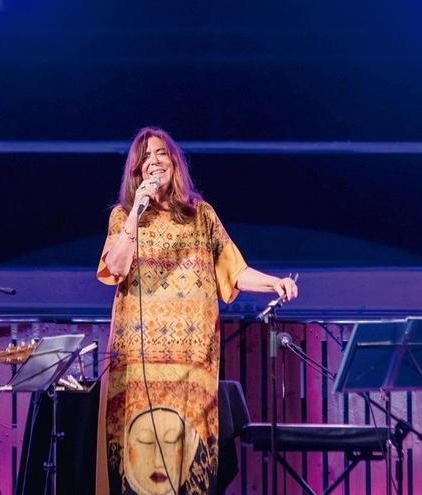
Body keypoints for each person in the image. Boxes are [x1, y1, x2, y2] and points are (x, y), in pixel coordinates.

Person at [95, 127, 298, 495]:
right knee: (141, 467)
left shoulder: (200, 216)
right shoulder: (123, 216)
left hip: (191, 366)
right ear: (136, 172)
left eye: (161, 154)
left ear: (174, 162)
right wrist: (135, 216)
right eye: (145, 159)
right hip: (139, 371)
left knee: (188, 465)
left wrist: (274, 282)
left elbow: (235, 271)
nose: (153, 162)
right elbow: (117, 267)